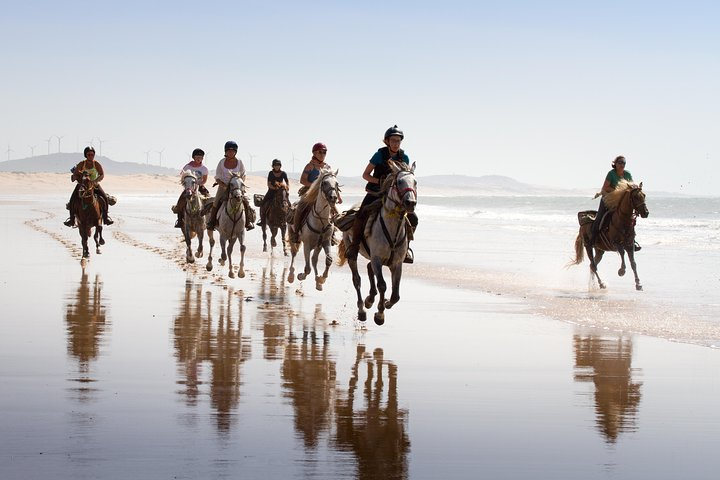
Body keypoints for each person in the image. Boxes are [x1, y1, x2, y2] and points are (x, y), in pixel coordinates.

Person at [345, 125, 417, 264]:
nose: (396, 143)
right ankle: (354, 246)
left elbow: (405, 176)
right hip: (376, 192)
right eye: (393, 140)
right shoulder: (379, 155)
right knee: (361, 214)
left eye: (398, 141)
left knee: (413, 218)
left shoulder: (404, 157)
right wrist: (380, 181)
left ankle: (405, 249)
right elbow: (365, 175)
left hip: (395, 196)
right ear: (387, 141)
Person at [289, 142, 342, 242]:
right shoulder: (309, 166)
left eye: (324, 152)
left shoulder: (328, 167)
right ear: (314, 153)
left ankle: (332, 234)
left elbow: (332, 183)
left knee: (336, 212)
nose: (322, 154)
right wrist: (315, 186)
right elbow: (302, 180)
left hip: (325, 193)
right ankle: (296, 233)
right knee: (300, 208)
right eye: (320, 152)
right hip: (310, 192)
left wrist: (338, 196)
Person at [591, 155, 640, 250]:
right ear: (615, 164)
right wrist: (618, 190)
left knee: (629, 219)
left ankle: (631, 241)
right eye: (620, 163)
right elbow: (605, 187)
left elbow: (631, 186)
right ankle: (593, 239)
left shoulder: (627, 174)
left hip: (621, 201)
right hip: (609, 199)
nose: (622, 165)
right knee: (600, 217)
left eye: (624, 163)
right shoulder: (611, 174)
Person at [206, 140, 255, 231]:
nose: (230, 152)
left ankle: (248, 222)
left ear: (235, 152)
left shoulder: (240, 162)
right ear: (225, 151)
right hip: (223, 186)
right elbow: (217, 177)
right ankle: (211, 222)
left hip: (237, 187)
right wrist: (224, 186)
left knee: (246, 202)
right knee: (216, 202)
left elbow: (243, 175)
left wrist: (239, 184)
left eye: (232, 151)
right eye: (228, 151)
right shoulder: (221, 162)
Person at [64, 146, 114, 227]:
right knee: (73, 199)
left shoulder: (96, 164)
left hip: (94, 185)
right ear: (86, 155)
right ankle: (71, 219)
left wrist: (95, 181)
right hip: (82, 186)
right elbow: (75, 174)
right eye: (89, 154)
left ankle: (105, 218)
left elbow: (102, 175)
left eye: (92, 154)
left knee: (104, 198)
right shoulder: (81, 164)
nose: (91, 156)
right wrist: (76, 176)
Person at [172, 148, 210, 229]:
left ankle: (209, 220)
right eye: (197, 156)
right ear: (193, 157)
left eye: (201, 157)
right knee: (181, 201)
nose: (199, 158)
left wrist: (198, 185)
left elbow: (204, 180)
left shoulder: (204, 169)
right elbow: (182, 178)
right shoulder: (187, 167)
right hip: (189, 187)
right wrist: (188, 186)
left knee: (209, 200)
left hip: (200, 187)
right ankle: (179, 220)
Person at [257, 158, 290, 227]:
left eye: (278, 165)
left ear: (280, 166)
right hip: (272, 191)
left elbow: (287, 182)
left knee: (288, 203)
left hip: (281, 191)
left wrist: (287, 187)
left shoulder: (283, 173)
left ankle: (289, 218)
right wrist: (275, 188)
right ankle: (262, 220)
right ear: (273, 166)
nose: (277, 166)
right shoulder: (271, 173)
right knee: (263, 203)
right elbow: (269, 184)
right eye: (275, 165)